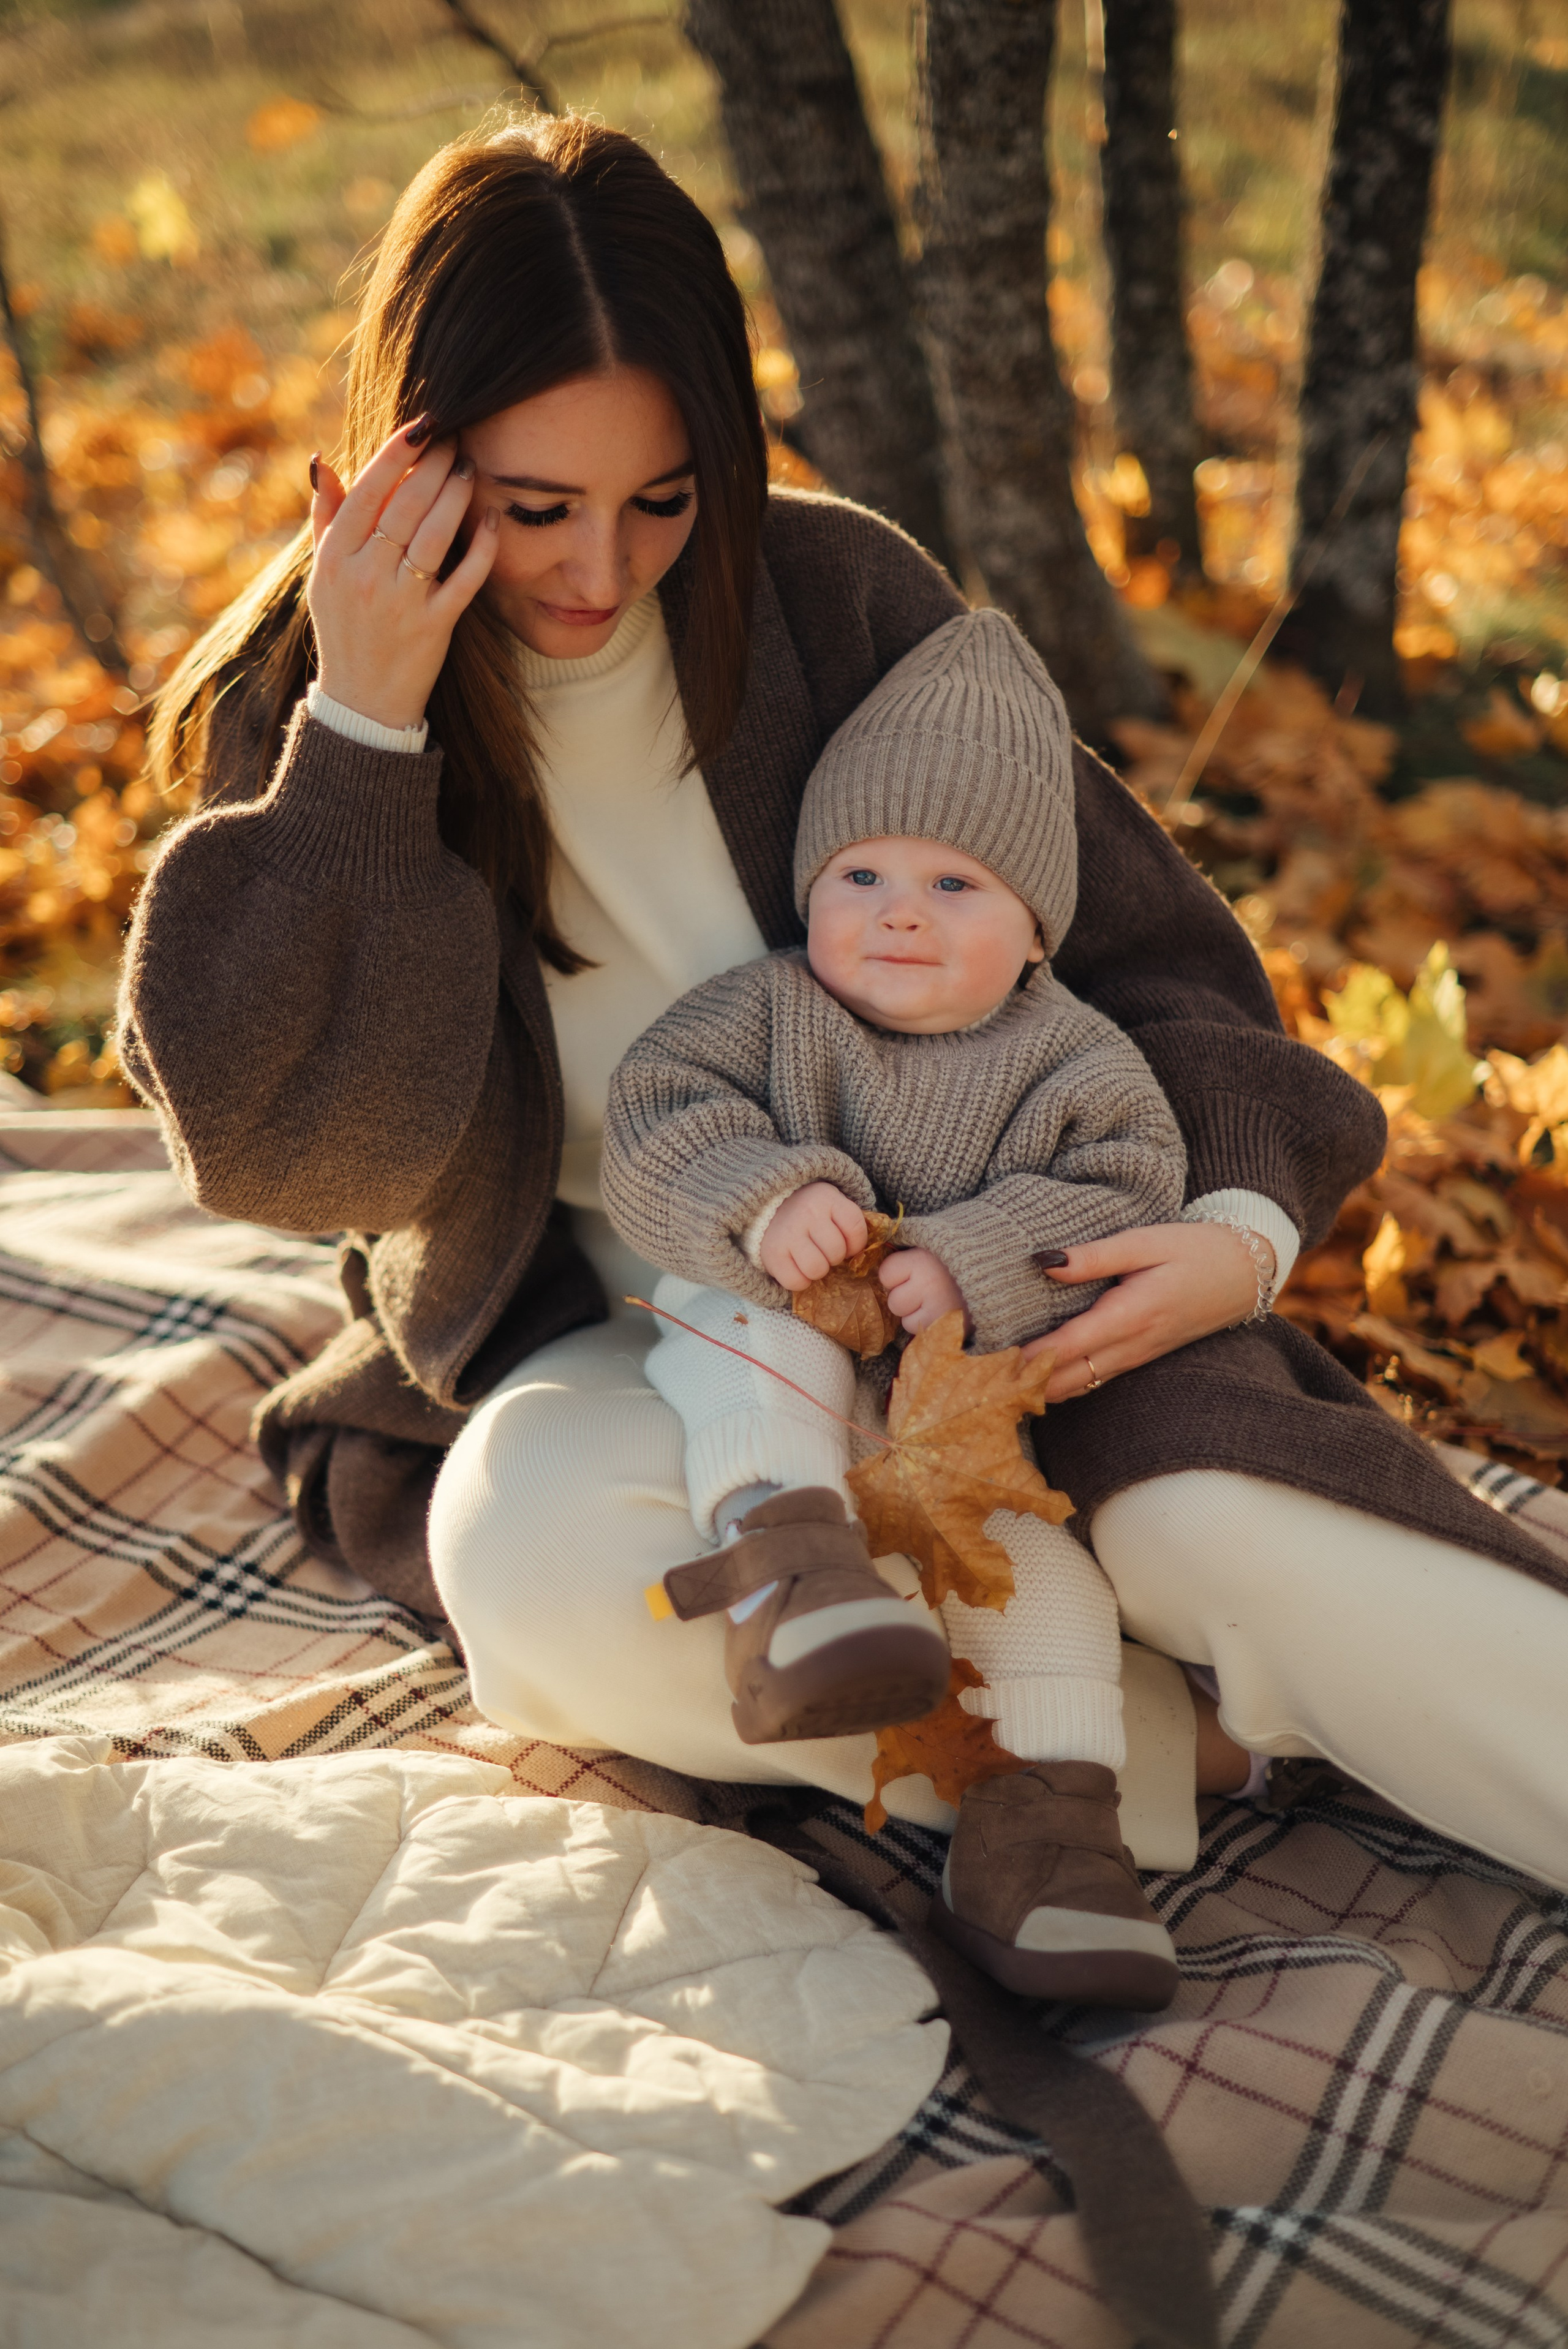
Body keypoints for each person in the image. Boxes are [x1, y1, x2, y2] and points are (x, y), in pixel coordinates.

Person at [118, 115, 1568, 1917]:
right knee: (529, 1562)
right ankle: (1129, 1740)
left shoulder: (837, 598)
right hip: (650, 1339)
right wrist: (370, 736)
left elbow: (1157, 960)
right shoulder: (317, 700)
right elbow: (294, 1157)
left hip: (991, 1278)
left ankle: (1230, 1665)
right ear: (409, 458)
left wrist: (1238, 1230)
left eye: (662, 499)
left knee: (1223, 1517)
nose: (598, 572)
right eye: (534, 507)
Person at [601, 605, 1192, 2005]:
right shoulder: (759, 1014)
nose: (898, 910)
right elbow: (651, 1119)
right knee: (757, 1335)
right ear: (806, 890)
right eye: (857, 871)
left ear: (1037, 928)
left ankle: (1048, 1845)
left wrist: (977, 1255)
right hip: (764, 1337)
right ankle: (790, 1583)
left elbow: (1130, 1185)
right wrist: (764, 1194)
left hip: (958, 1416)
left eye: (953, 883)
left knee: (1042, 1580)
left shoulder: (1074, 1060)